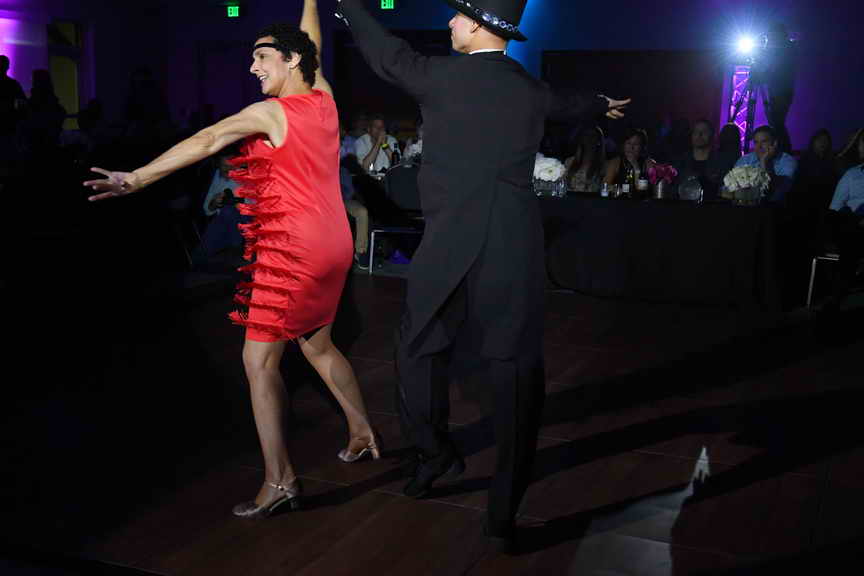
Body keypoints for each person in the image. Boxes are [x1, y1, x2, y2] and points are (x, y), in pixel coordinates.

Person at [335, 0, 629, 552]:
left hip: (452, 243)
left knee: (417, 350)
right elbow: (569, 103)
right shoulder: (530, 89)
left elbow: (384, 52)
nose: (448, 23)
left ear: (475, 24)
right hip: (510, 243)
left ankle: (434, 453)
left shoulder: (438, 75)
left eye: (456, 15)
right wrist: (599, 103)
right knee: (513, 371)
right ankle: (500, 509)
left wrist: (349, 5)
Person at [85, 0, 378, 518]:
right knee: (317, 344)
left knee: (257, 361)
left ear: (290, 60)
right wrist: (312, 2)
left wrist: (137, 178)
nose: (252, 66)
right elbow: (313, 46)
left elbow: (209, 138)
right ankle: (361, 430)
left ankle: (280, 480)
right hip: (334, 243)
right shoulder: (325, 100)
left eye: (261, 56)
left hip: (292, 249)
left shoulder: (271, 113)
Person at [822, 135, 864, 311]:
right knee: (845, 225)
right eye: (862, 144)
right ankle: (839, 294)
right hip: (854, 225)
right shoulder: (852, 174)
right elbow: (834, 208)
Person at [734, 124, 797, 205]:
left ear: (774, 143)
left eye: (764, 142)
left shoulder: (787, 161)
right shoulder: (746, 159)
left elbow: (778, 192)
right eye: (756, 142)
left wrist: (763, 162)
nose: (759, 146)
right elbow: (732, 186)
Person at [673, 119, 727, 201]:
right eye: (696, 132)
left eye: (704, 132)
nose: (699, 135)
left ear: (712, 135)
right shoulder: (681, 161)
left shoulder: (720, 162)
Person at [604, 127, 655, 192]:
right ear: (624, 145)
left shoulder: (648, 163)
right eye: (628, 143)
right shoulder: (615, 162)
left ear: (642, 147)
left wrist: (636, 166)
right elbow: (605, 186)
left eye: (636, 144)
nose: (631, 147)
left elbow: (642, 189)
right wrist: (623, 190)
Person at [564, 126, 605, 194]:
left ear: (598, 141)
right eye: (586, 135)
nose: (589, 139)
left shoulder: (603, 165)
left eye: (593, 136)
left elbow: (605, 188)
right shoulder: (569, 161)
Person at [0, 54, 25, 134]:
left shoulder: (13, 83)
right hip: (9, 122)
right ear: (8, 67)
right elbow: (23, 101)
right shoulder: (13, 84)